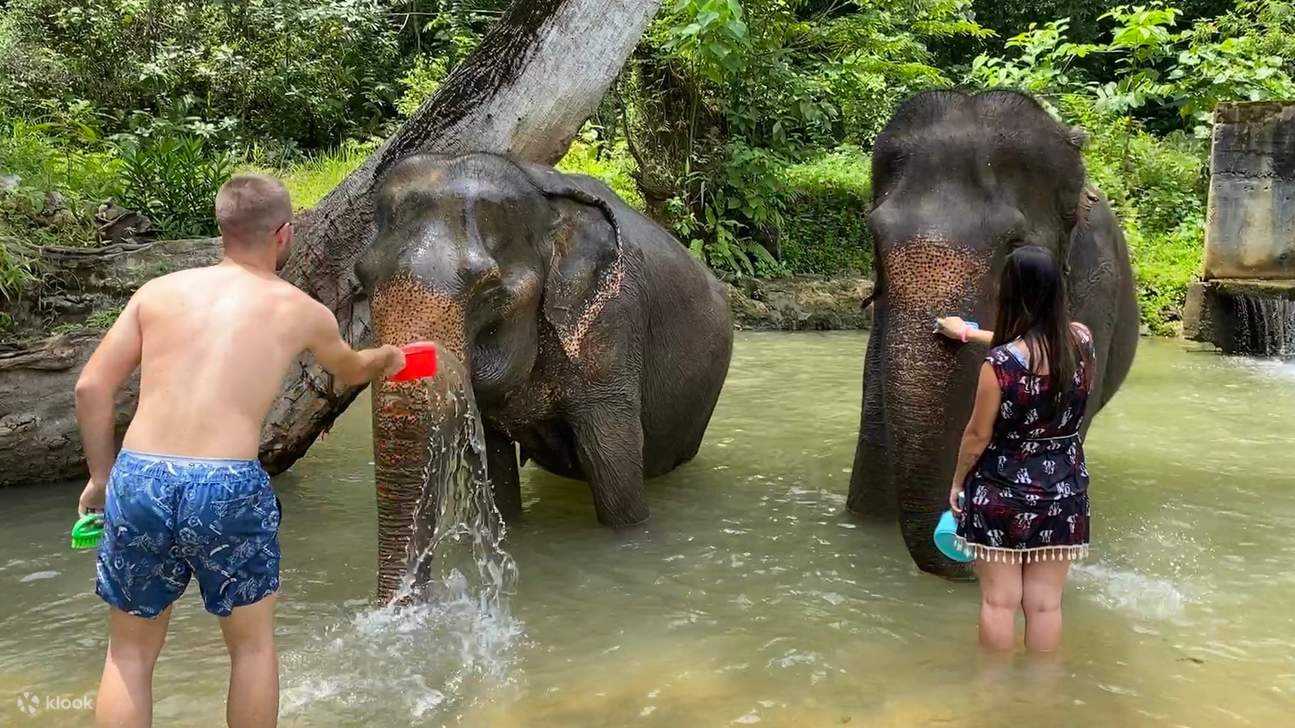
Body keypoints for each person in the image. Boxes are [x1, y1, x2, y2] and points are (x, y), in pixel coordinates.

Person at [75, 174, 408, 728]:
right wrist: (389, 357)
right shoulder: (300, 310)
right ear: (283, 234)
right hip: (226, 484)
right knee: (251, 649)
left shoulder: (157, 293)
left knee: (128, 654)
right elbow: (350, 369)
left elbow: (91, 388)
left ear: (222, 227)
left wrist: (101, 478)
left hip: (140, 478)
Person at [935, 245, 1096, 653]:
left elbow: (977, 436)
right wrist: (969, 333)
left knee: (999, 601)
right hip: (1064, 491)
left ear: (1011, 294)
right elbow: (1044, 343)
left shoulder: (1000, 366)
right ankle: (1042, 686)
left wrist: (957, 484)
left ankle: (995, 686)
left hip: (1001, 491)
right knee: (1045, 605)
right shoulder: (1082, 341)